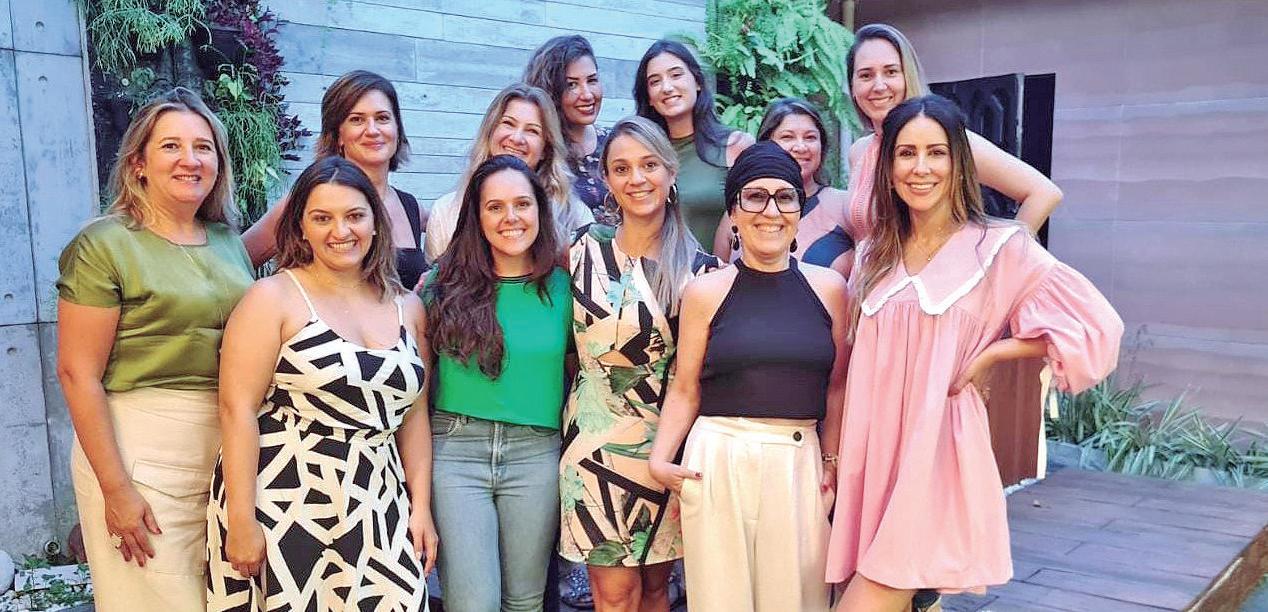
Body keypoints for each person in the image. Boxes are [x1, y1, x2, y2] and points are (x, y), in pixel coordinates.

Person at [825, 95, 1124, 610]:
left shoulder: (999, 246)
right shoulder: (874, 252)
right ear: (888, 168)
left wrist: (993, 354)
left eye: (936, 152)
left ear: (959, 163)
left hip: (935, 456)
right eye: (906, 153)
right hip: (870, 459)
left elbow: (1096, 327)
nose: (921, 168)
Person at [205, 157, 435, 610]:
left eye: (354, 215)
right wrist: (241, 519)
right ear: (301, 228)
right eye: (322, 218)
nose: (340, 230)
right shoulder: (273, 297)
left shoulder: (408, 307)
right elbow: (237, 410)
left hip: (378, 496)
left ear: (375, 223)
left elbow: (414, 418)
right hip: (286, 499)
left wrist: (421, 507)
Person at [56, 87, 253, 611]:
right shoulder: (103, 244)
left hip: (223, 450)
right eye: (171, 146)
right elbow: (77, 373)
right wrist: (116, 489)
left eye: (203, 147)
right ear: (138, 163)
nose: (190, 159)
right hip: (139, 451)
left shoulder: (227, 242)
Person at [646, 141, 848, 612]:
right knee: (721, 600)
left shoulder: (831, 289)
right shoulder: (704, 292)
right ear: (734, 212)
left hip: (798, 461)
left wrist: (831, 462)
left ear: (799, 210)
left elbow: (837, 387)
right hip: (718, 458)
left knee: (798, 600)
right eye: (755, 197)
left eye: (785, 197)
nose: (770, 211)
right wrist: (660, 459)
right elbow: (685, 388)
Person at [561, 116, 720, 612]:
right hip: (594, 446)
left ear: (670, 172)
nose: (637, 179)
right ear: (607, 180)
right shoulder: (581, 251)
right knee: (614, 595)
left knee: (655, 591)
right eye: (622, 168)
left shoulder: (699, 271)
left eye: (649, 165)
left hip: (666, 447)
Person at [423, 155, 572, 611]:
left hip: (536, 453)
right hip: (456, 450)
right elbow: (416, 386)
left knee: (525, 602)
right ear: (477, 216)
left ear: (539, 210)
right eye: (495, 207)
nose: (511, 217)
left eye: (522, 204)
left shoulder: (566, 287)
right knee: (473, 604)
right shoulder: (441, 284)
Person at [845, 24, 1061, 248]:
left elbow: (1043, 192)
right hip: (868, 271)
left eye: (891, 72)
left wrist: (1000, 257)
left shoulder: (950, 140)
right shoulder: (859, 151)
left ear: (908, 76)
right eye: (866, 75)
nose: (879, 86)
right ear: (852, 86)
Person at [242, 70, 430, 289]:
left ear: (397, 128)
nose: (372, 130)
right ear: (338, 134)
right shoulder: (308, 201)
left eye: (382, 118)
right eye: (357, 119)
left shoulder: (412, 208)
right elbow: (234, 264)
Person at [425, 84, 594, 262]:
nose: (517, 138)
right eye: (508, 124)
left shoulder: (575, 216)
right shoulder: (446, 212)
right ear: (490, 132)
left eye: (532, 131)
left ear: (546, 148)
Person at [634, 39, 754, 253]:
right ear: (649, 97)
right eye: (655, 81)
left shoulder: (737, 146)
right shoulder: (642, 154)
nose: (667, 87)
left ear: (697, 82)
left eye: (676, 75)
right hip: (654, 271)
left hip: (720, 271)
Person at [747, 97, 853, 276]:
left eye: (810, 137)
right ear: (766, 144)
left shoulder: (846, 206)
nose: (801, 147)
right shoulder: (741, 209)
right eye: (787, 137)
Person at [524, 34, 619, 226]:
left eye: (592, 80)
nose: (587, 94)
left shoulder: (617, 142)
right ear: (551, 91)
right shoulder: (538, 152)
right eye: (572, 85)